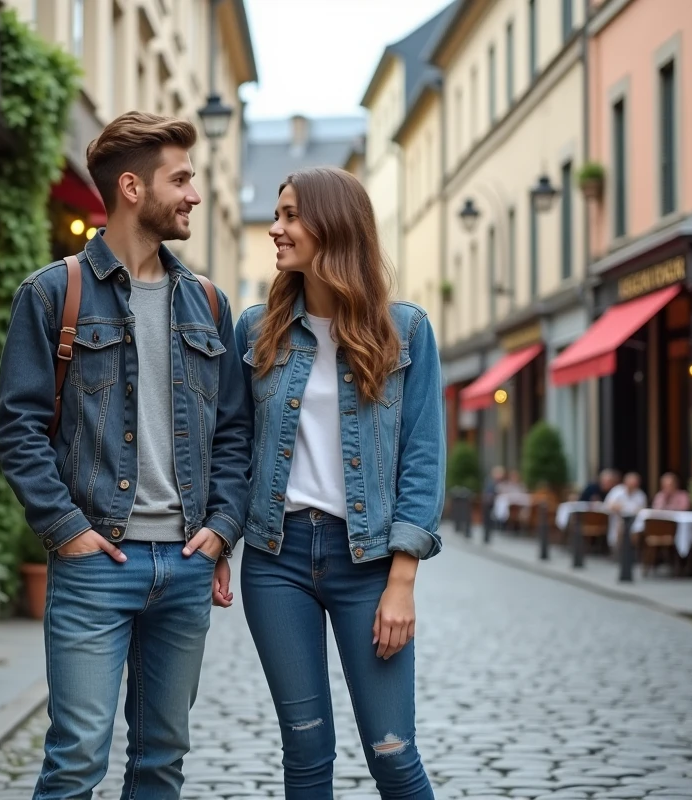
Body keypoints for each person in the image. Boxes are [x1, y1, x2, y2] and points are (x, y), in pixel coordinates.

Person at [0, 111, 250, 800]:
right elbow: (16, 427)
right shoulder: (53, 293)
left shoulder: (208, 305)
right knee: (76, 760)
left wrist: (223, 529)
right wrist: (66, 529)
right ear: (132, 187)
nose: (194, 194)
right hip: (95, 564)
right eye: (182, 179)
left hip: (186, 566)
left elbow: (232, 434)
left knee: (162, 761)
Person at [235, 166, 443, 799]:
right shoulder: (256, 331)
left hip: (370, 563)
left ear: (333, 225)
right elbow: (234, 448)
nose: (276, 228)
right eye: (277, 214)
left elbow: (424, 456)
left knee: (392, 751)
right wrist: (218, 539)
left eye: (291, 215)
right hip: (277, 560)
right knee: (303, 749)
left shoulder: (404, 331)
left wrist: (401, 581)